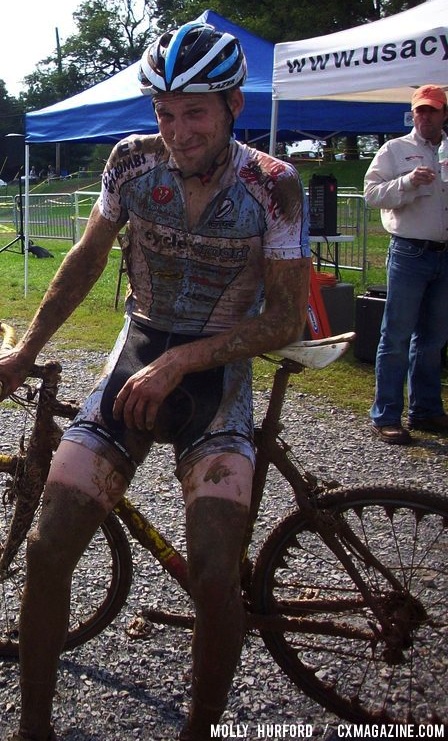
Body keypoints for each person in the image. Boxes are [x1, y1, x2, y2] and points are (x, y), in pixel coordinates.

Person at [0, 21, 311, 741]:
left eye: (194, 111)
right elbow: (82, 262)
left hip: (214, 372)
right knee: (48, 551)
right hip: (138, 344)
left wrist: (182, 361)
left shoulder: (274, 186)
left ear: (234, 104)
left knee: (213, 572)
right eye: (164, 112)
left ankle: (200, 731)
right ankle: (32, 730)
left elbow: (287, 319)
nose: (176, 130)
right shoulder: (130, 163)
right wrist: (24, 354)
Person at [364, 84, 448, 445]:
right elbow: (370, 195)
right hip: (409, 252)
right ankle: (386, 415)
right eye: (420, 110)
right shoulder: (394, 150)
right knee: (395, 336)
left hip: (444, 254)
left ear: (444, 113)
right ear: (413, 114)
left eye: (432, 110)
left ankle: (426, 410)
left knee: (433, 339)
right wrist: (407, 182)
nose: (425, 116)